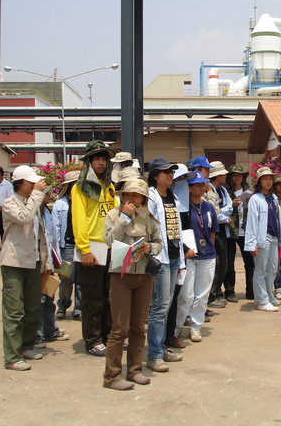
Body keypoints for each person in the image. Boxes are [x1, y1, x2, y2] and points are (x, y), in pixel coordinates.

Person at [103, 178, 163, 390]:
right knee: (120, 328)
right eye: (127, 195)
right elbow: (109, 240)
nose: (130, 199)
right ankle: (112, 376)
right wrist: (124, 218)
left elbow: (159, 242)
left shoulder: (150, 218)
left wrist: (151, 248)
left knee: (138, 327)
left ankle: (135, 370)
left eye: (135, 195)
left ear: (143, 198)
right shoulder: (114, 215)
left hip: (144, 277)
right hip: (121, 275)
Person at [0, 165, 49, 371]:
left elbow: (41, 235)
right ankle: (12, 356)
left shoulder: (33, 202)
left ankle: (26, 346)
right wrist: (37, 195)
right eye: (31, 183)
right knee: (14, 311)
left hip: (33, 261)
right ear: (20, 184)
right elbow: (24, 218)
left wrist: (45, 261)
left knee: (32, 308)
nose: (35, 185)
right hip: (14, 262)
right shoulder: (10, 203)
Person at [71, 140, 116, 357]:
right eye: (96, 159)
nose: (100, 163)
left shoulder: (110, 186)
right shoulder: (80, 188)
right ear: (89, 162)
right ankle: (92, 340)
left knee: (109, 296)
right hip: (92, 249)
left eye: (103, 159)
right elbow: (79, 220)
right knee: (92, 298)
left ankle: (108, 337)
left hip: (109, 248)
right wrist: (84, 249)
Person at [146, 157, 186, 372]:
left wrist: (180, 258)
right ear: (155, 176)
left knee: (167, 304)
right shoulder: (151, 197)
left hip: (173, 256)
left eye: (171, 171)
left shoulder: (172, 196)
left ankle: (160, 348)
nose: (170, 175)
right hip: (160, 258)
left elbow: (176, 228)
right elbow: (147, 228)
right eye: (165, 172)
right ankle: (154, 355)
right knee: (160, 307)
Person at [175, 172, 219, 343]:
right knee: (186, 295)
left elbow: (213, 232)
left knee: (202, 295)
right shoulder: (183, 207)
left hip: (207, 255)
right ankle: (178, 325)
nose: (202, 187)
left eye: (203, 184)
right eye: (198, 185)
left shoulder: (208, 207)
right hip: (189, 255)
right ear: (189, 187)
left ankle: (196, 326)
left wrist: (208, 248)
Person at [244, 167, 281, 312]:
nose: (268, 182)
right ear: (259, 182)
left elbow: (278, 220)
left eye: (270, 179)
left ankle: (269, 295)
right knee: (260, 270)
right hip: (262, 238)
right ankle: (262, 300)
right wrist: (252, 243)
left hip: (274, 237)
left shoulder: (274, 198)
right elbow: (252, 223)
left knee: (273, 269)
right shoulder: (255, 199)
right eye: (265, 179)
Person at [165, 164, 197, 350]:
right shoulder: (165, 200)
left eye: (186, 180)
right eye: (179, 179)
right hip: (170, 254)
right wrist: (184, 248)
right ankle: (166, 335)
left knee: (182, 294)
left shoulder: (181, 202)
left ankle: (172, 331)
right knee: (168, 299)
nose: (183, 183)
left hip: (183, 255)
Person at [35, 192, 69, 347]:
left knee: (49, 298)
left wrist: (56, 260)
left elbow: (53, 238)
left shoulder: (46, 211)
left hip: (49, 261)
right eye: (46, 193)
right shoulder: (34, 213)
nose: (49, 195)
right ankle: (37, 334)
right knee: (39, 300)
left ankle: (50, 330)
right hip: (39, 263)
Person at [52, 170, 82, 320]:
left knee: (81, 279)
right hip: (67, 245)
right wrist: (56, 249)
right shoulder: (60, 204)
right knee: (66, 278)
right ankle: (63, 304)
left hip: (82, 245)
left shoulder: (84, 202)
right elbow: (55, 227)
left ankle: (79, 308)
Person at [225, 165, 254, 301]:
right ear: (230, 177)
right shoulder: (226, 192)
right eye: (234, 175)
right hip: (231, 230)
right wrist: (231, 205)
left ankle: (251, 291)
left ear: (243, 177)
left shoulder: (249, 192)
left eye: (239, 175)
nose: (237, 178)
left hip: (246, 231)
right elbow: (221, 208)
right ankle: (229, 291)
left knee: (250, 262)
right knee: (229, 263)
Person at [206, 161, 233, 308]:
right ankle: (211, 295)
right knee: (215, 265)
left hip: (223, 232)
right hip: (213, 232)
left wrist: (221, 212)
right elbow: (213, 213)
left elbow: (229, 207)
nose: (225, 176)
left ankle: (216, 292)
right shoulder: (208, 189)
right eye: (223, 174)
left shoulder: (222, 190)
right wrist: (224, 217)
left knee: (223, 264)